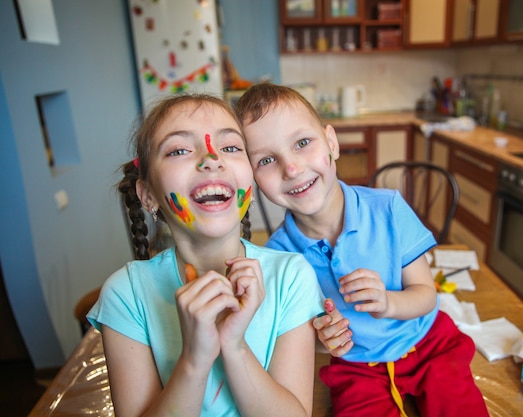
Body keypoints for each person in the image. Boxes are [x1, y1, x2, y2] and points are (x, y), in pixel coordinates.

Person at [236, 83, 490, 417]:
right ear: (252, 177)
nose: (292, 168)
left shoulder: (389, 209)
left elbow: (427, 295)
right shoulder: (276, 259)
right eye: (267, 159)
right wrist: (322, 338)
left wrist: (388, 302)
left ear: (332, 142)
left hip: (428, 343)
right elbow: (294, 337)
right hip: (356, 366)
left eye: (302, 143)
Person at [87, 93, 323, 417]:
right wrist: (194, 359)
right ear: (148, 195)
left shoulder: (291, 277)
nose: (211, 159)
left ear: (249, 178)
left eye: (230, 147)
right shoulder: (125, 295)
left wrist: (235, 347)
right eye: (179, 150)